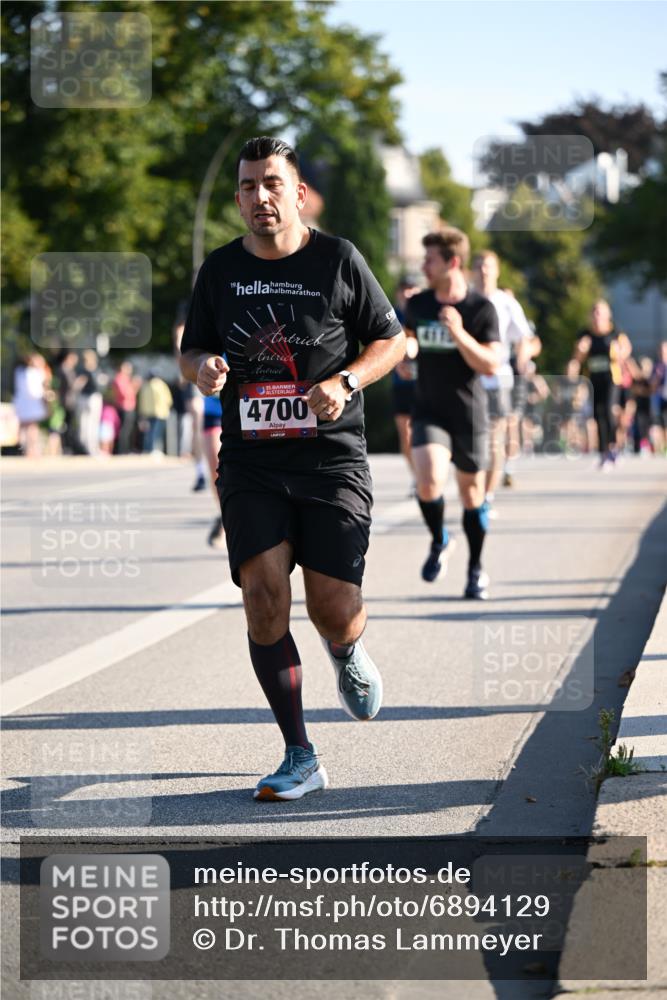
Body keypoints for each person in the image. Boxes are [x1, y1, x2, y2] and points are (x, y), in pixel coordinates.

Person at [178, 136, 405, 801]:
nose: (259, 198)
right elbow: (192, 353)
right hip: (251, 459)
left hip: (329, 458)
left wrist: (348, 381)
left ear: (297, 193)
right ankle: (298, 753)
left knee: (332, 609)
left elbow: (391, 339)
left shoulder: (338, 259)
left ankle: (344, 650)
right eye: (247, 187)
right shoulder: (220, 271)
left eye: (271, 184)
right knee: (263, 595)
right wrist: (204, 370)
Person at [404, 228, 501, 600]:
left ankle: (475, 567)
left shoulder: (480, 309)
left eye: (430, 260)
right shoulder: (420, 304)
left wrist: (460, 334)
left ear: (452, 263)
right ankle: (439, 538)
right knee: (428, 481)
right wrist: (408, 351)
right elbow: (409, 337)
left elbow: (490, 364)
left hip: (468, 414)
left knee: (472, 494)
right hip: (429, 409)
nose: (423, 266)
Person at [470, 252, 533, 513]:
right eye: (479, 266)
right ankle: (473, 491)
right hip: (468, 379)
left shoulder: (506, 303)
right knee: (473, 440)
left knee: (494, 437)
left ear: (496, 271)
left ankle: (486, 497)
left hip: (498, 378)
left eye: (488, 266)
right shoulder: (465, 299)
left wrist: (522, 356)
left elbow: (525, 338)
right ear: (472, 271)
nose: (484, 271)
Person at [575, 300, 620, 469]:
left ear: (608, 315)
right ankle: (603, 453)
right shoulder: (585, 334)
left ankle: (613, 448)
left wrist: (618, 350)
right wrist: (581, 350)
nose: (597, 316)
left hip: (611, 378)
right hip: (593, 379)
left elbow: (626, 350)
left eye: (600, 312)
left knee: (608, 411)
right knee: (597, 414)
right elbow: (577, 359)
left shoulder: (614, 332)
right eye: (594, 312)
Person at [390, 277, 421, 483]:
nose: (407, 293)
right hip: (401, 385)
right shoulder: (390, 315)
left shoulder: (425, 313)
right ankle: (417, 478)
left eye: (412, 289)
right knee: (407, 436)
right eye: (404, 289)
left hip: (424, 385)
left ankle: (426, 476)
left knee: (425, 433)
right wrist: (396, 365)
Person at [13, 353, 49, 458]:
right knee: (31, 428)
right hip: (31, 404)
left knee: (26, 427)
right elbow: (34, 391)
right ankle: (31, 450)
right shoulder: (33, 373)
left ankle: (27, 449)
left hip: (24, 404)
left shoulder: (20, 372)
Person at [137, 371, 173, 453]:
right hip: (160, 413)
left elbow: (141, 401)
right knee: (157, 433)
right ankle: (155, 449)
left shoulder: (145, 386)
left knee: (148, 433)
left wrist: (142, 414)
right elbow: (168, 399)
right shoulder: (161, 385)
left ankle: (148, 449)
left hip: (147, 413)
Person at [112, 360, 138, 454]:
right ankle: (121, 450)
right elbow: (125, 394)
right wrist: (133, 387)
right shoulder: (120, 378)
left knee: (128, 430)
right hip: (124, 407)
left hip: (129, 406)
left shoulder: (126, 379)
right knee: (124, 430)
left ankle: (125, 449)